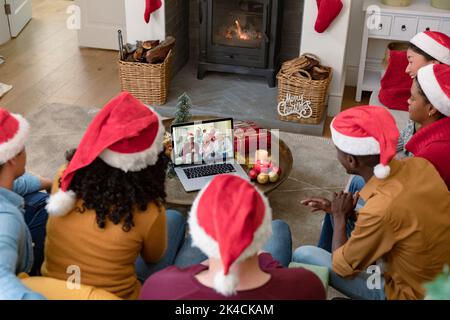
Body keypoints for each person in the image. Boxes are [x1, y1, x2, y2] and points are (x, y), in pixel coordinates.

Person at [293, 106, 450, 300]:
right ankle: (329, 252)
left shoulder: (381, 210)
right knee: (349, 196)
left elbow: (342, 268)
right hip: (438, 272)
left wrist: (340, 216)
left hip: (412, 292)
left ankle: (325, 261)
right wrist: (344, 213)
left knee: (305, 255)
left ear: (351, 161)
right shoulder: (419, 165)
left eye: (337, 150)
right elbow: (399, 222)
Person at [42, 92, 185, 300]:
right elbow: (153, 257)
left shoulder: (65, 176)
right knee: (177, 220)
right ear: (151, 159)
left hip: (53, 290)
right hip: (115, 295)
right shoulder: (149, 209)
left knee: (172, 221)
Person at [139, 175, 326, 300]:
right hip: (258, 261)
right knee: (279, 227)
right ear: (262, 232)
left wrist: (203, 265)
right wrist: (263, 256)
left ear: (198, 234)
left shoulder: (158, 287)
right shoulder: (307, 286)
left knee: (172, 217)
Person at [0, 108, 45, 299]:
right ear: (11, 158)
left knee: (39, 200)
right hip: (19, 276)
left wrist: (51, 183)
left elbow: (18, 184)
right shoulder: (6, 219)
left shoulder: (8, 181)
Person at [405, 64, 450, 189]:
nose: (408, 101)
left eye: (413, 98)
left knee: (357, 181)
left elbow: (409, 196)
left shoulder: (432, 153)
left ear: (431, 108)